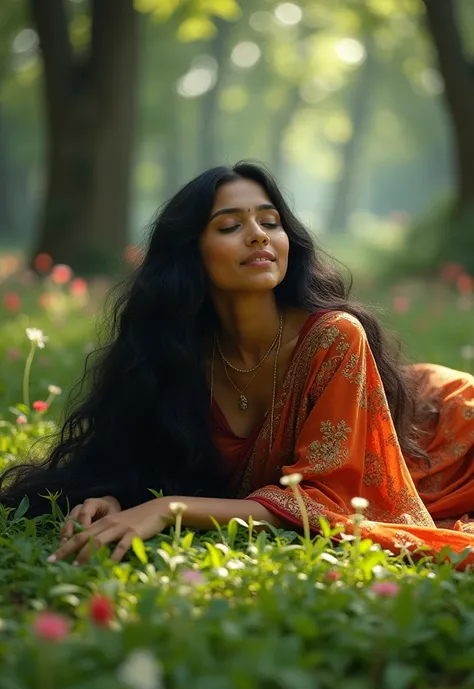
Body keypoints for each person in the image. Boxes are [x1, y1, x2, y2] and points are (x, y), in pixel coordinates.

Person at [1, 162, 474, 567]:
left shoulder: (333, 336)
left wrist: (172, 509)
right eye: (230, 227)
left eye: (270, 222)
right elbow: (142, 457)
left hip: (443, 435)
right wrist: (113, 496)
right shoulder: (173, 351)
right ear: (190, 254)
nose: (258, 236)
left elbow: (328, 502)